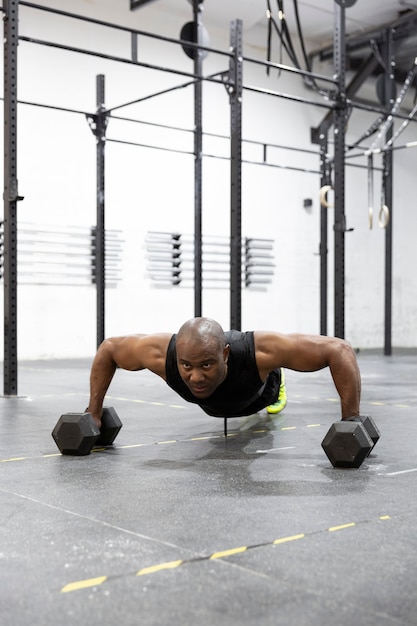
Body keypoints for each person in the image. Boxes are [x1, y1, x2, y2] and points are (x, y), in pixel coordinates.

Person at [87, 317, 362, 429]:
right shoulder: (161, 356)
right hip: (214, 405)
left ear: (225, 355)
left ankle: (277, 382)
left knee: (268, 374)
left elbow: (339, 350)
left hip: (256, 395)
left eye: (206, 364)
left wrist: (351, 420)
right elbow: (109, 348)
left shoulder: (257, 351)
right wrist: (94, 413)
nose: (195, 377)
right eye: (186, 366)